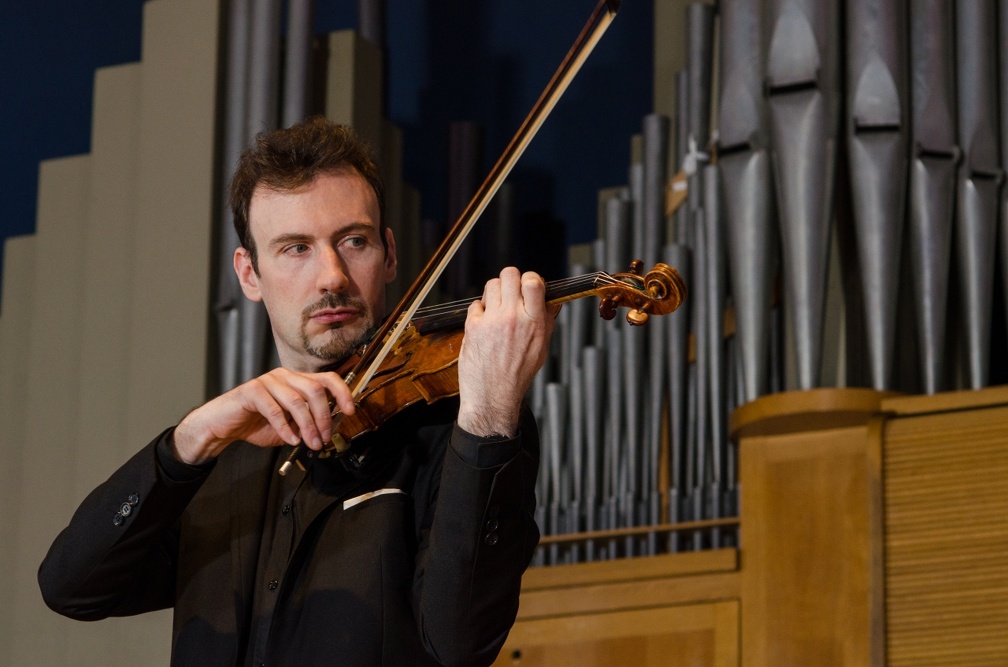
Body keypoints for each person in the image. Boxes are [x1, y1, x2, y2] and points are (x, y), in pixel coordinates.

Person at [39, 117, 556, 666]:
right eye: (295, 248)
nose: (331, 275)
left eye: (353, 241)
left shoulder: (459, 433)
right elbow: (73, 586)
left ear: (390, 254)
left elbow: (459, 640)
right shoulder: (216, 457)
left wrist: (490, 415)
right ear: (249, 274)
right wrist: (185, 443)